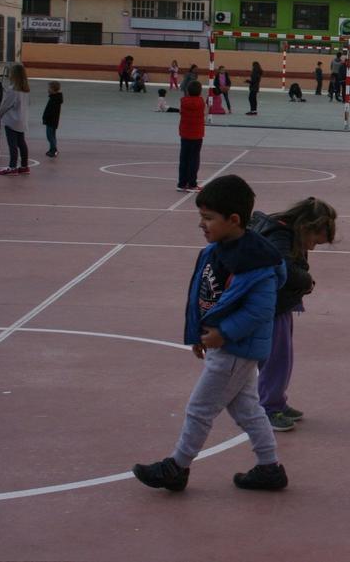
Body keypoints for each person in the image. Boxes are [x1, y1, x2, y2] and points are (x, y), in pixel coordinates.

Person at [132, 174, 289, 492]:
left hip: (236, 349)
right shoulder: (216, 250)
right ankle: (269, 467)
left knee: (200, 408)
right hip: (224, 346)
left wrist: (223, 334)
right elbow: (201, 296)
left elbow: (259, 311)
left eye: (208, 218)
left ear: (233, 220)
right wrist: (197, 336)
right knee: (246, 409)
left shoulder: (256, 262)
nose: (201, 225)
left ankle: (178, 466)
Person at [249, 197, 338, 432]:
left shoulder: (285, 234)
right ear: (307, 227)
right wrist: (306, 280)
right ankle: (269, 407)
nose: (312, 247)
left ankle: (276, 401)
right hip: (270, 306)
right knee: (276, 358)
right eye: (314, 241)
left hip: (279, 304)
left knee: (281, 355)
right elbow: (283, 269)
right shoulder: (280, 235)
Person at [0, 63, 31, 175]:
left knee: (13, 144)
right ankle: (24, 165)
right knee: (21, 143)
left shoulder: (12, 89)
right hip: (22, 120)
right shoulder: (25, 90)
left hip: (12, 121)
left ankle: (12, 167)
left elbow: (6, 105)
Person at [177, 80, 206, 192]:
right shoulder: (201, 102)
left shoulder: (183, 101)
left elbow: (181, 112)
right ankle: (192, 183)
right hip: (197, 134)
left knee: (184, 158)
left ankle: (181, 183)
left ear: (188, 91)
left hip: (185, 133)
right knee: (194, 159)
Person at [42, 81, 63, 158]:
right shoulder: (55, 98)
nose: (48, 89)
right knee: (52, 135)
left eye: (49, 88)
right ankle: (52, 149)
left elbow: (50, 110)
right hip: (53, 121)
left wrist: (45, 117)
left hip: (51, 121)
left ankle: (54, 150)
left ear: (53, 89)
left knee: (50, 136)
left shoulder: (54, 99)